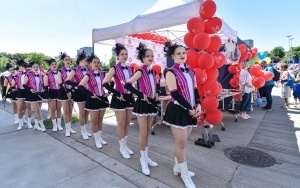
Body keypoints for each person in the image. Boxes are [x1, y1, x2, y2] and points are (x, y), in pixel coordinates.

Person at [163, 42, 201, 188]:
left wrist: (199, 104)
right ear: (172, 56)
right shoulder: (170, 71)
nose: (182, 55)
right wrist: (189, 108)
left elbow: (195, 90)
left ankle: (177, 167)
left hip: (190, 109)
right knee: (182, 143)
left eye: (183, 53)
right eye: (178, 53)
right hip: (178, 110)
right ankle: (185, 175)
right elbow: (174, 93)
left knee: (182, 143)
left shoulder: (191, 71)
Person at [124, 43, 158, 176]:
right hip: (142, 104)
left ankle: (147, 156)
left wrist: (156, 95)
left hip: (151, 103)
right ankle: (142, 159)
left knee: (148, 131)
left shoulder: (153, 71)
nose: (150, 57)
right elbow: (128, 84)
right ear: (142, 59)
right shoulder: (140, 70)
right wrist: (139, 94)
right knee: (143, 132)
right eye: (147, 56)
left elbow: (153, 87)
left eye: (152, 55)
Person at [103, 43, 135, 159]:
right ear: (117, 56)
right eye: (122, 54)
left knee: (127, 123)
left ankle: (125, 145)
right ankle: (121, 147)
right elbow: (105, 83)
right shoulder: (114, 68)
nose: (124, 56)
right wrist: (117, 93)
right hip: (119, 98)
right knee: (121, 124)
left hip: (129, 98)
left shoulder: (131, 68)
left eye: (126, 54)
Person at [78, 53, 109, 148]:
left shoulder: (103, 73)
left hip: (102, 98)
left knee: (100, 119)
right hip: (93, 100)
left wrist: (108, 92)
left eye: (98, 62)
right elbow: (80, 86)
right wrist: (91, 94)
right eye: (94, 62)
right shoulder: (88, 74)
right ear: (90, 64)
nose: (96, 64)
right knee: (94, 121)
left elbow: (109, 84)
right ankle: (96, 140)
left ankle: (100, 137)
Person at [66, 50, 91, 139]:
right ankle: (82, 131)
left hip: (88, 92)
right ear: (80, 61)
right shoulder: (75, 70)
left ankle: (85, 129)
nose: (87, 62)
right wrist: (79, 84)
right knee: (82, 112)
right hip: (79, 92)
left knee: (87, 111)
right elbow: (67, 80)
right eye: (86, 60)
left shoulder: (88, 69)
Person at [23, 62, 46, 132]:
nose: (36, 68)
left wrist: (43, 88)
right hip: (32, 95)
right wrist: (30, 89)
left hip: (39, 94)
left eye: (37, 67)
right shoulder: (28, 75)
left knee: (38, 110)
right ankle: (42, 126)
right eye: (34, 67)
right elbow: (24, 84)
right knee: (38, 111)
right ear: (31, 68)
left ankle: (36, 125)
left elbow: (43, 83)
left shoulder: (41, 75)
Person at [57, 52, 76, 137]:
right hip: (63, 91)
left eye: (69, 60)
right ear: (63, 61)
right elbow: (60, 83)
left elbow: (75, 82)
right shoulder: (60, 71)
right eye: (66, 60)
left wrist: (71, 91)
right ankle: (67, 129)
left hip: (72, 91)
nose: (68, 61)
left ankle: (70, 127)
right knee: (65, 111)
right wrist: (67, 92)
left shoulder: (73, 70)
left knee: (70, 110)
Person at [43, 58, 63, 131]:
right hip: (52, 92)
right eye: (52, 65)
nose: (54, 66)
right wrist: (46, 96)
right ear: (49, 66)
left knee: (59, 109)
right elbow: (45, 86)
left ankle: (59, 124)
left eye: (55, 64)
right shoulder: (47, 74)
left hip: (60, 92)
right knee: (53, 109)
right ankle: (54, 125)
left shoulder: (60, 73)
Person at [13, 60, 34, 130]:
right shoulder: (19, 74)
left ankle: (29, 123)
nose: (18, 68)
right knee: (19, 108)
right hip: (20, 91)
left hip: (28, 91)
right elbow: (15, 82)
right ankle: (20, 123)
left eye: (19, 67)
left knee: (28, 107)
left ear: (21, 66)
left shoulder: (30, 73)